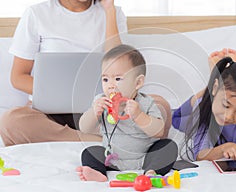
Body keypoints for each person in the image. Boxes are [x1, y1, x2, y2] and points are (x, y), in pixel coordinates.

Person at [0, 0, 171, 146]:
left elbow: (118, 64)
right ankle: (97, 141)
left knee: (160, 106)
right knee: (11, 121)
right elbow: (18, 77)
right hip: (50, 114)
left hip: (102, 110)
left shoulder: (113, 12)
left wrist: (109, 10)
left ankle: (95, 137)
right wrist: (64, 94)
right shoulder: (37, 14)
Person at [76, 44, 178, 182]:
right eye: (105, 79)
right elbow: (84, 128)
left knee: (168, 146)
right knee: (90, 152)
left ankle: (151, 172)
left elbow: (158, 131)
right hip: (111, 159)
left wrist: (139, 116)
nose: (111, 85)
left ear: (138, 82)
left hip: (144, 157)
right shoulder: (101, 101)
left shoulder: (146, 103)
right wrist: (94, 113)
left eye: (117, 79)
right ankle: (98, 173)